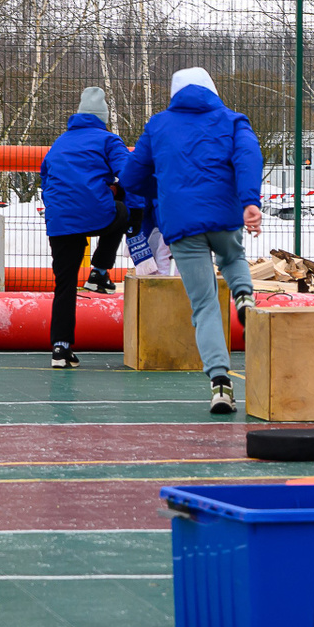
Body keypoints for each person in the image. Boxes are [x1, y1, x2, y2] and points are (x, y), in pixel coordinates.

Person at [118, 67, 261, 413]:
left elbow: (130, 177)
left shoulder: (158, 125)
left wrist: (167, 189)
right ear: (212, 89)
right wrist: (249, 200)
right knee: (232, 256)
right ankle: (244, 295)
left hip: (181, 223)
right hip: (224, 213)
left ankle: (220, 383)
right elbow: (248, 156)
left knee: (205, 305)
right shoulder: (232, 120)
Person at [39, 86, 131, 368]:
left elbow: (45, 178)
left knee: (64, 285)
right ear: (103, 118)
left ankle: (60, 348)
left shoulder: (60, 142)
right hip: (96, 213)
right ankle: (99, 271)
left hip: (60, 219)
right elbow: (130, 174)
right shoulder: (109, 140)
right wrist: (119, 190)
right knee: (122, 211)